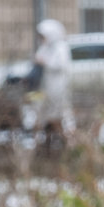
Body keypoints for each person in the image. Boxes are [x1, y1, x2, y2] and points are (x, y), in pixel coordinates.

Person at [31, 19, 73, 153]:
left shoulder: (61, 47)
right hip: (45, 88)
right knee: (44, 115)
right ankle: (45, 143)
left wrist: (45, 62)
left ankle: (67, 143)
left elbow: (61, 64)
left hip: (58, 88)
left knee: (59, 115)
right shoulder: (45, 47)